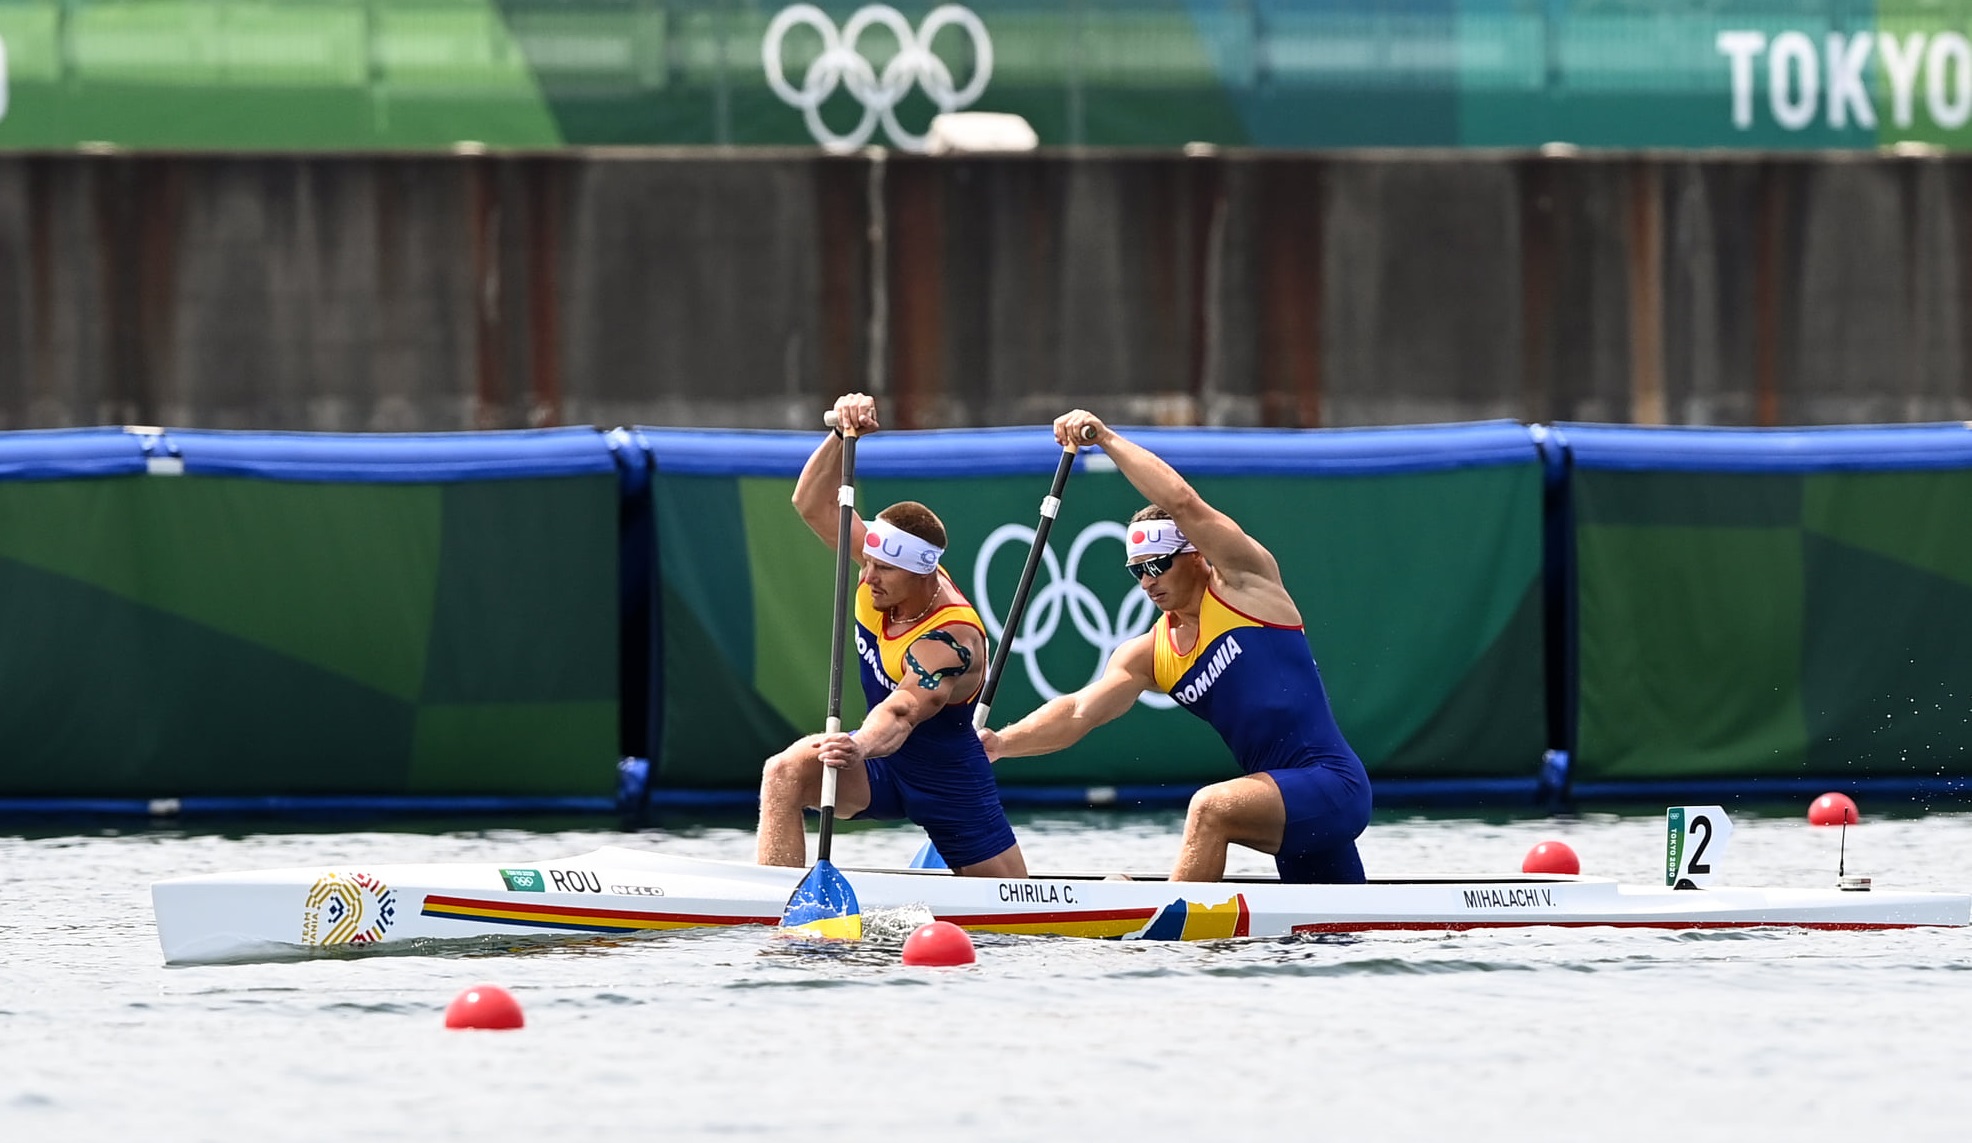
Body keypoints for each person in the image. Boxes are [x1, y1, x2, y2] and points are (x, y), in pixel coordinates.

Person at [978, 409, 1372, 883]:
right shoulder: (1149, 654)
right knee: (1331, 935)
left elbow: (1183, 502)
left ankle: (1165, 940)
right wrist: (1000, 744)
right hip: (1284, 803)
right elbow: (1079, 712)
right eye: (1136, 570)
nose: (1147, 582)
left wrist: (1104, 438)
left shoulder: (1245, 587)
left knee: (1210, 809)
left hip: (1332, 783)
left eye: (1159, 564)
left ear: (1197, 556)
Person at [755, 392, 1028, 878]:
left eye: (883, 571)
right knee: (784, 770)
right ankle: (775, 902)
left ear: (923, 575)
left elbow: (900, 713)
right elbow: (810, 502)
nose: (867, 578)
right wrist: (841, 435)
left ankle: (1119, 887)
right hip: (880, 769)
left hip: (947, 781)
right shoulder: (880, 569)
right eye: (869, 563)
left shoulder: (950, 640)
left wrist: (858, 745)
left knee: (1017, 917)